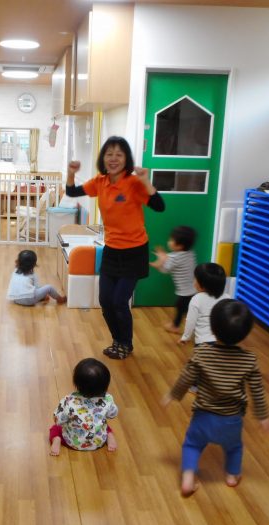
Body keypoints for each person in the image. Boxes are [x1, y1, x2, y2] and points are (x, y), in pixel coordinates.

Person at [66, 136, 165, 359]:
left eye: (119, 154)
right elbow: (72, 192)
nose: (113, 159)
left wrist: (146, 180)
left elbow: (159, 206)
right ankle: (116, 340)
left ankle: (125, 343)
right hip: (111, 249)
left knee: (120, 300)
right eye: (109, 154)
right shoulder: (100, 182)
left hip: (134, 251)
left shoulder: (134, 183)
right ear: (104, 157)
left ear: (126, 158)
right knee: (105, 300)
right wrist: (71, 172)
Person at [161, 299, 269, 496]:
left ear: (212, 328)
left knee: (192, 444)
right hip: (232, 419)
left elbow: (186, 377)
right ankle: (231, 475)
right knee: (234, 447)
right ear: (246, 333)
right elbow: (257, 389)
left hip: (203, 417)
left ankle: (188, 478)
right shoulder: (249, 360)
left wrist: (173, 395)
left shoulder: (202, 353)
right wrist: (262, 416)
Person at [50, 358, 119, 456]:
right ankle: (109, 435)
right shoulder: (107, 399)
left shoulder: (69, 400)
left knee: (55, 428)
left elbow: (58, 420)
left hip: (73, 443)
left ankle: (57, 440)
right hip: (98, 441)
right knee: (103, 424)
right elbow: (112, 414)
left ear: (77, 383)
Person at [150, 225, 197, 334]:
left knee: (182, 308)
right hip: (194, 289)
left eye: (171, 240)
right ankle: (183, 324)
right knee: (187, 309)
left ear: (180, 246)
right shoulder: (190, 253)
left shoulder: (174, 257)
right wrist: (164, 257)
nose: (169, 242)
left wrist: (159, 262)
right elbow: (172, 259)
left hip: (185, 292)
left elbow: (165, 270)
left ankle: (176, 326)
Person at [180, 263, 230, 346]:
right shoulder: (227, 298)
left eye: (195, 279)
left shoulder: (197, 299)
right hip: (222, 341)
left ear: (203, 285)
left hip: (203, 342)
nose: (194, 281)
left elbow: (190, 322)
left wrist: (185, 337)